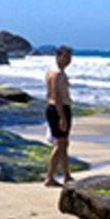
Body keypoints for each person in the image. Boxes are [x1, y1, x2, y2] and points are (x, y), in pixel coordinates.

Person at [43, 45, 74, 187]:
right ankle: (50, 177)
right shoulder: (57, 74)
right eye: (65, 57)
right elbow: (56, 97)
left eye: (70, 57)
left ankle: (66, 175)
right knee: (60, 144)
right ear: (58, 56)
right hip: (58, 110)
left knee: (63, 144)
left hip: (55, 109)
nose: (68, 60)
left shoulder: (52, 71)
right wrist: (62, 117)